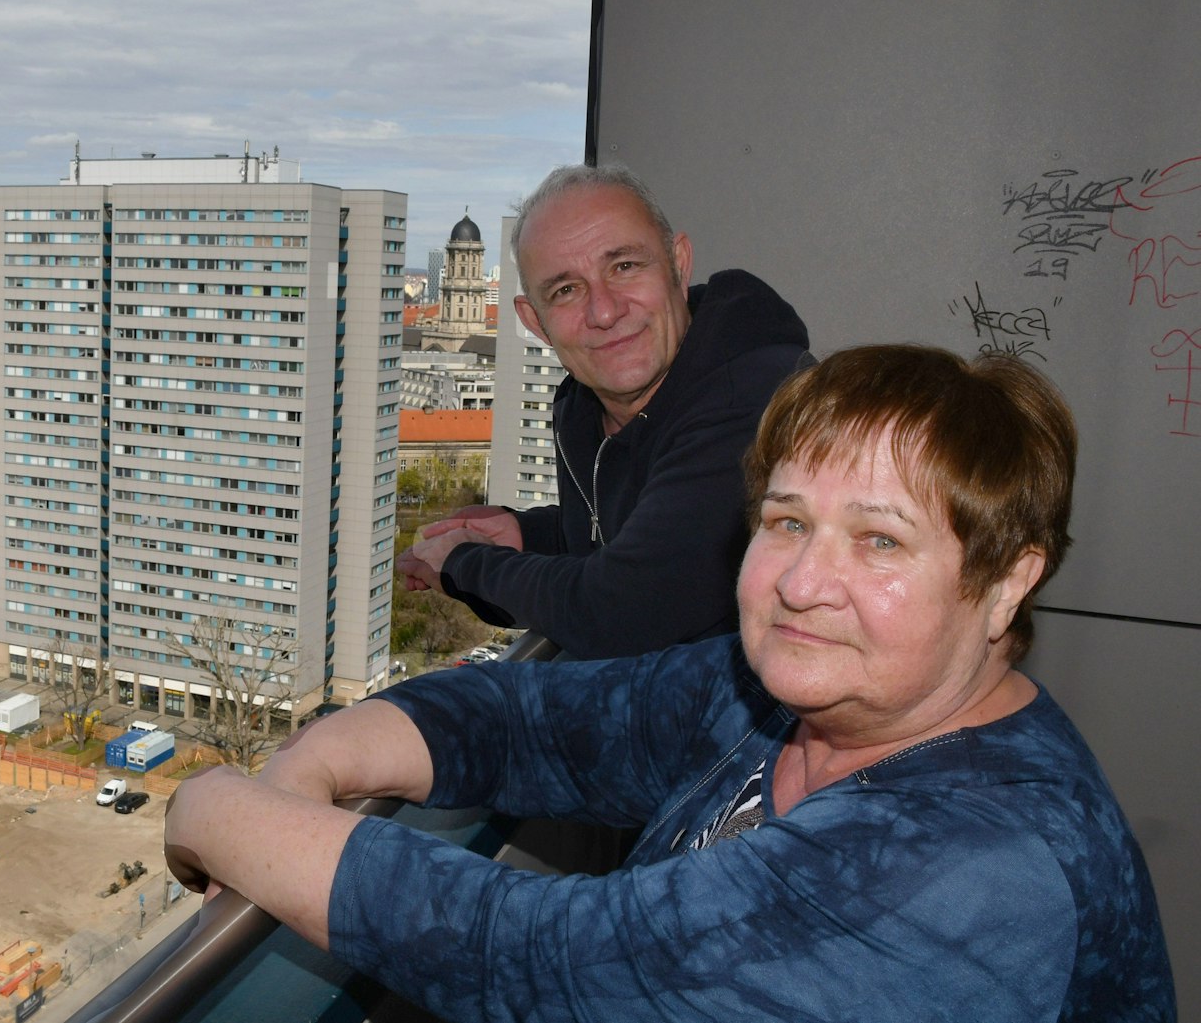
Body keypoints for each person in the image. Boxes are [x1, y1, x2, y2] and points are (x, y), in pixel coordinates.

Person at [167, 345, 1174, 1021]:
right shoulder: (779, 698)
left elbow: (539, 958)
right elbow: (532, 721)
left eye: (877, 539)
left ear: (1004, 580)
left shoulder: (978, 866)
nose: (801, 581)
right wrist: (310, 765)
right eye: (784, 522)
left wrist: (217, 804)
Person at [397, 165, 810, 659]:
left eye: (625, 267)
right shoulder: (584, 405)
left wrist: (464, 564)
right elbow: (639, 539)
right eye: (566, 290)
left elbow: (627, 609)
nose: (605, 311)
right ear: (535, 321)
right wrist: (526, 534)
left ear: (678, 265)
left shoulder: (756, 400)